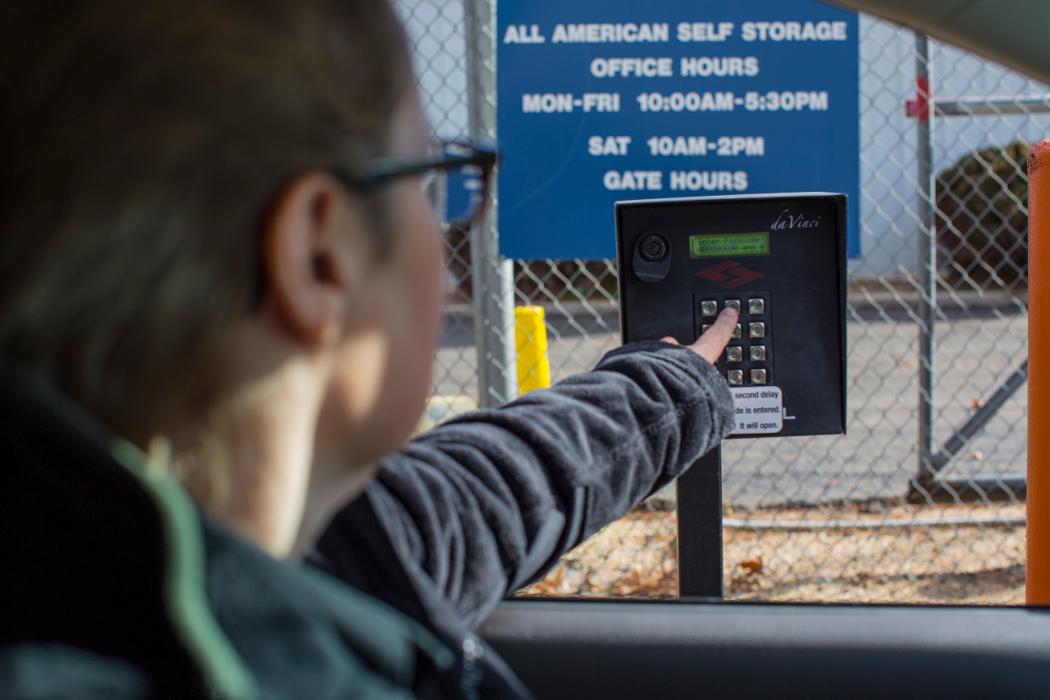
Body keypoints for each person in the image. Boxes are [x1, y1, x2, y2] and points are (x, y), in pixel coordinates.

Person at [0, 0, 738, 697]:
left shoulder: (292, 539)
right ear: (318, 255)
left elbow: (483, 496)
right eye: (430, 179)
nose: (449, 257)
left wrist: (669, 384)